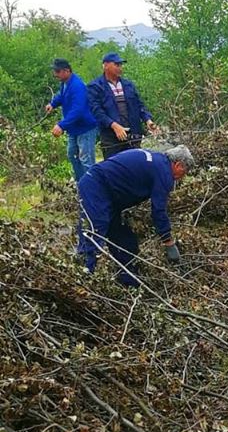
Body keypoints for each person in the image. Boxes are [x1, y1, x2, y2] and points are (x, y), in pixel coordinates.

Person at [78, 145, 193, 286]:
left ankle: (129, 282)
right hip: (97, 188)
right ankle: (81, 280)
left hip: (109, 194)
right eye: (184, 172)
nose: (181, 177)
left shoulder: (158, 161)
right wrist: (168, 242)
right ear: (178, 165)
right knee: (93, 235)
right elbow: (159, 210)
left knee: (125, 241)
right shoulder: (164, 172)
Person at [87, 52, 158, 159]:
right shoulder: (95, 86)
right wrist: (114, 126)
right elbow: (96, 111)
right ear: (105, 66)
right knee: (114, 167)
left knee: (134, 165)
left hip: (133, 136)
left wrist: (148, 120)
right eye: (116, 65)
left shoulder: (128, 85)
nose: (120, 68)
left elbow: (139, 104)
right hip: (111, 138)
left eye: (121, 65)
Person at [45, 58, 98, 182]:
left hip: (85, 128)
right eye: (55, 71)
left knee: (86, 159)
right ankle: (81, 183)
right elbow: (62, 95)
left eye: (57, 71)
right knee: (72, 155)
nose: (55, 74)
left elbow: (78, 110)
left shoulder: (77, 86)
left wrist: (61, 125)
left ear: (67, 71)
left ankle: (93, 184)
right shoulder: (65, 83)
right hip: (73, 128)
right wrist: (53, 104)